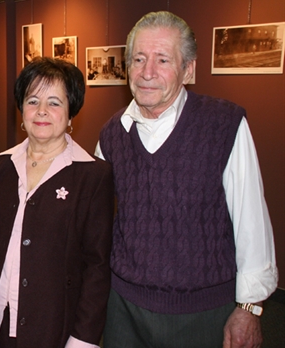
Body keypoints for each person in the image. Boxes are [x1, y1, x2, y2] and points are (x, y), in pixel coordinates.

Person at [95, 11, 278, 348]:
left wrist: (249, 307)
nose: (147, 72)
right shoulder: (111, 135)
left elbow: (250, 220)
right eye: (139, 59)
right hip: (123, 309)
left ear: (188, 70)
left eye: (162, 59)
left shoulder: (224, 125)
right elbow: (95, 222)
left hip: (203, 314)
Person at [0, 57, 114, 348]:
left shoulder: (94, 175)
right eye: (32, 100)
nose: (41, 111)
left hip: (54, 329)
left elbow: (97, 267)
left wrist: (83, 340)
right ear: (21, 109)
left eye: (54, 102)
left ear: (70, 115)